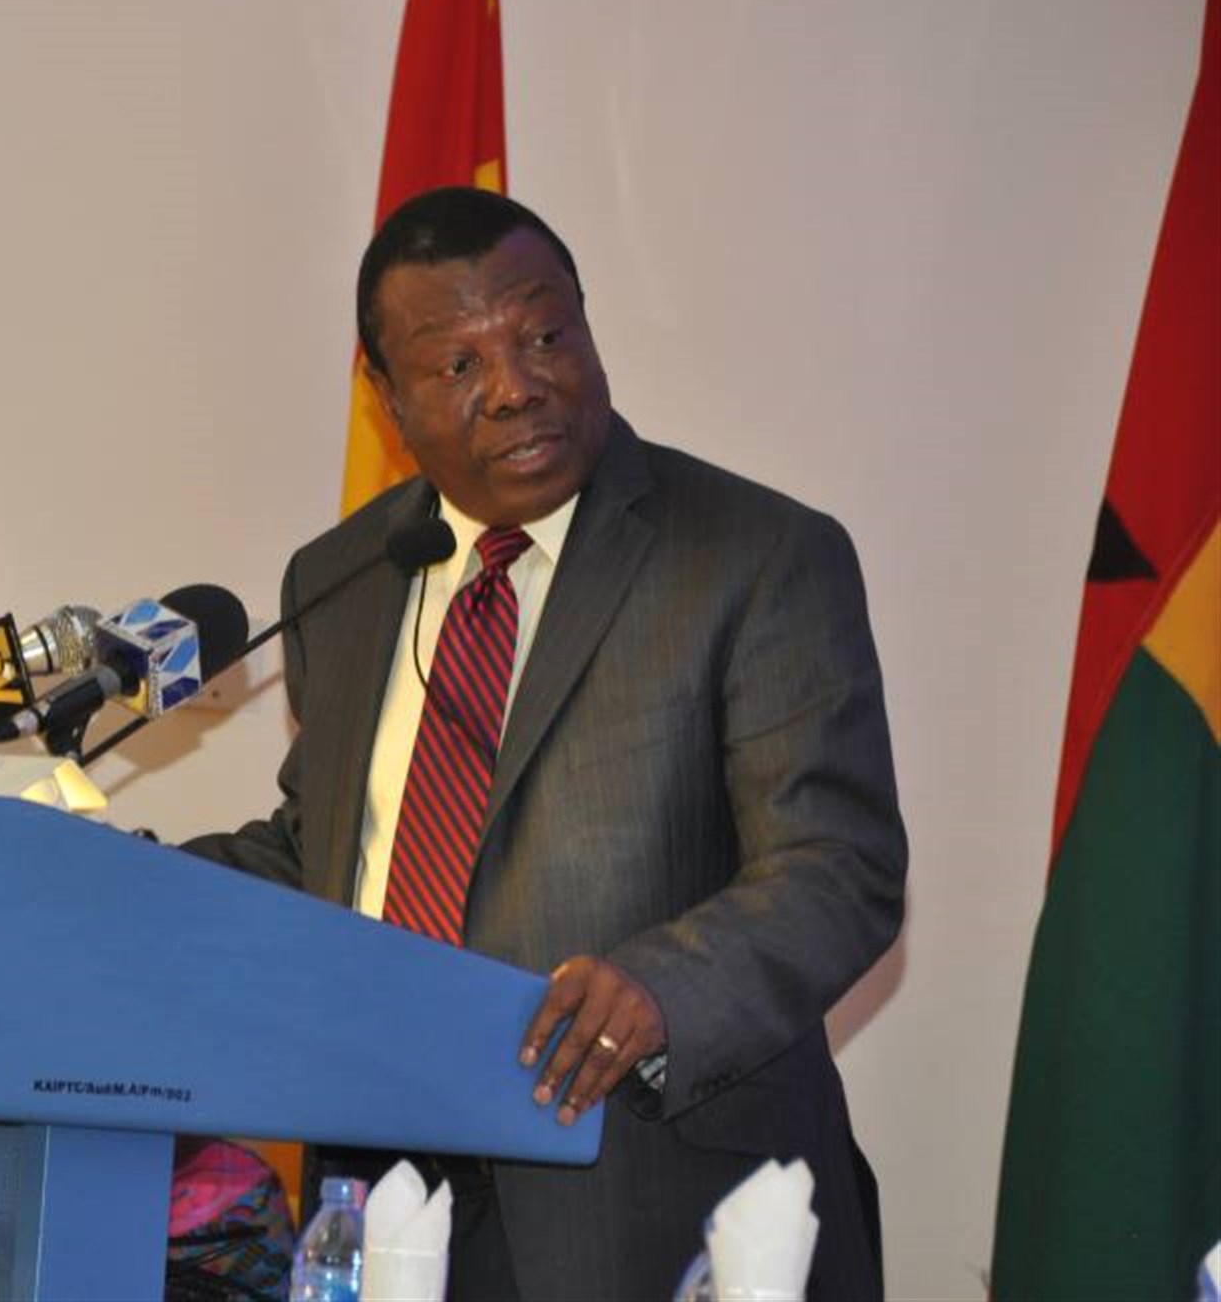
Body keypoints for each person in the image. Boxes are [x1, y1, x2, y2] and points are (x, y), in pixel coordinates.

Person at [182, 187, 905, 1301]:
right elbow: (334, 851)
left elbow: (836, 868)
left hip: (649, 1197)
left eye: (544, 336)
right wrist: (120, 880)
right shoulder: (344, 577)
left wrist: (661, 989)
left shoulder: (752, 554)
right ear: (386, 396)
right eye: (458, 363)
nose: (517, 384)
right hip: (388, 1192)